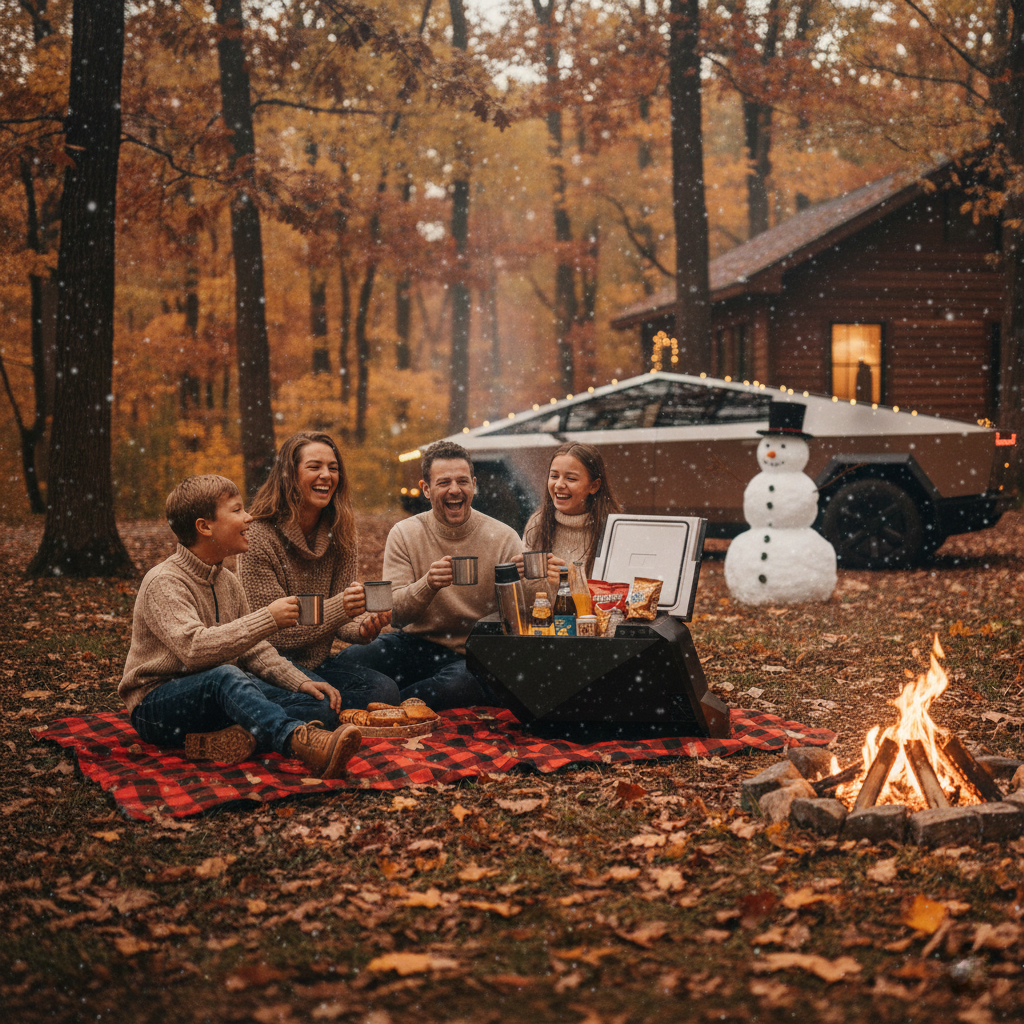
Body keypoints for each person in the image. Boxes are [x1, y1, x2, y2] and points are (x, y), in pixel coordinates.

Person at [119, 474, 362, 779]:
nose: (248, 518)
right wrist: (268, 618)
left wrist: (299, 681)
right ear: (205, 526)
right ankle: (297, 741)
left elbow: (254, 649)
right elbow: (195, 650)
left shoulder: (227, 581)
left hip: (218, 695)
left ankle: (232, 738)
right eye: (236, 510)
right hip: (157, 706)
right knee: (225, 676)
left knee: (320, 704)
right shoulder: (163, 582)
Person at [340, 440, 530, 710]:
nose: (455, 489)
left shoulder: (503, 537)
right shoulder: (405, 533)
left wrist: (534, 581)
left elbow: (521, 617)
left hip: (470, 654)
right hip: (412, 643)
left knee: (459, 685)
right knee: (349, 660)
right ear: (426, 490)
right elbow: (395, 614)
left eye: (463, 481)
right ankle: (383, 700)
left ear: (474, 485)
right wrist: (427, 585)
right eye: (444, 483)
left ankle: (387, 705)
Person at [238, 431, 399, 708]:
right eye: (314, 467)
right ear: (289, 474)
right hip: (267, 665)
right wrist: (341, 607)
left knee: (384, 691)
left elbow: (341, 620)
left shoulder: (342, 533)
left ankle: (278, 711)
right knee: (323, 706)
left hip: (319, 664)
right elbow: (272, 633)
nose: (326, 475)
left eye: (333, 468)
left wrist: (363, 627)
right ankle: (264, 709)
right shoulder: (258, 537)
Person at [519, 441, 622, 586]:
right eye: (554, 476)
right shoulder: (538, 522)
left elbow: (618, 596)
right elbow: (527, 597)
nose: (559, 485)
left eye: (571, 478)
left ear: (594, 486)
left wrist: (568, 583)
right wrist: (520, 576)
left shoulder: (615, 529)